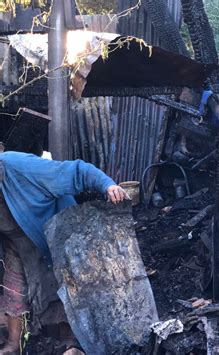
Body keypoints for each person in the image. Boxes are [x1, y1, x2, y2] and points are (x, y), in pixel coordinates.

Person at [0, 144, 128, 354]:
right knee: (14, 290)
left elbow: (76, 170)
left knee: (66, 285)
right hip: (17, 241)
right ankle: (14, 345)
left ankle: (73, 343)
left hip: (55, 231)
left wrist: (108, 185)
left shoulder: (19, 166)